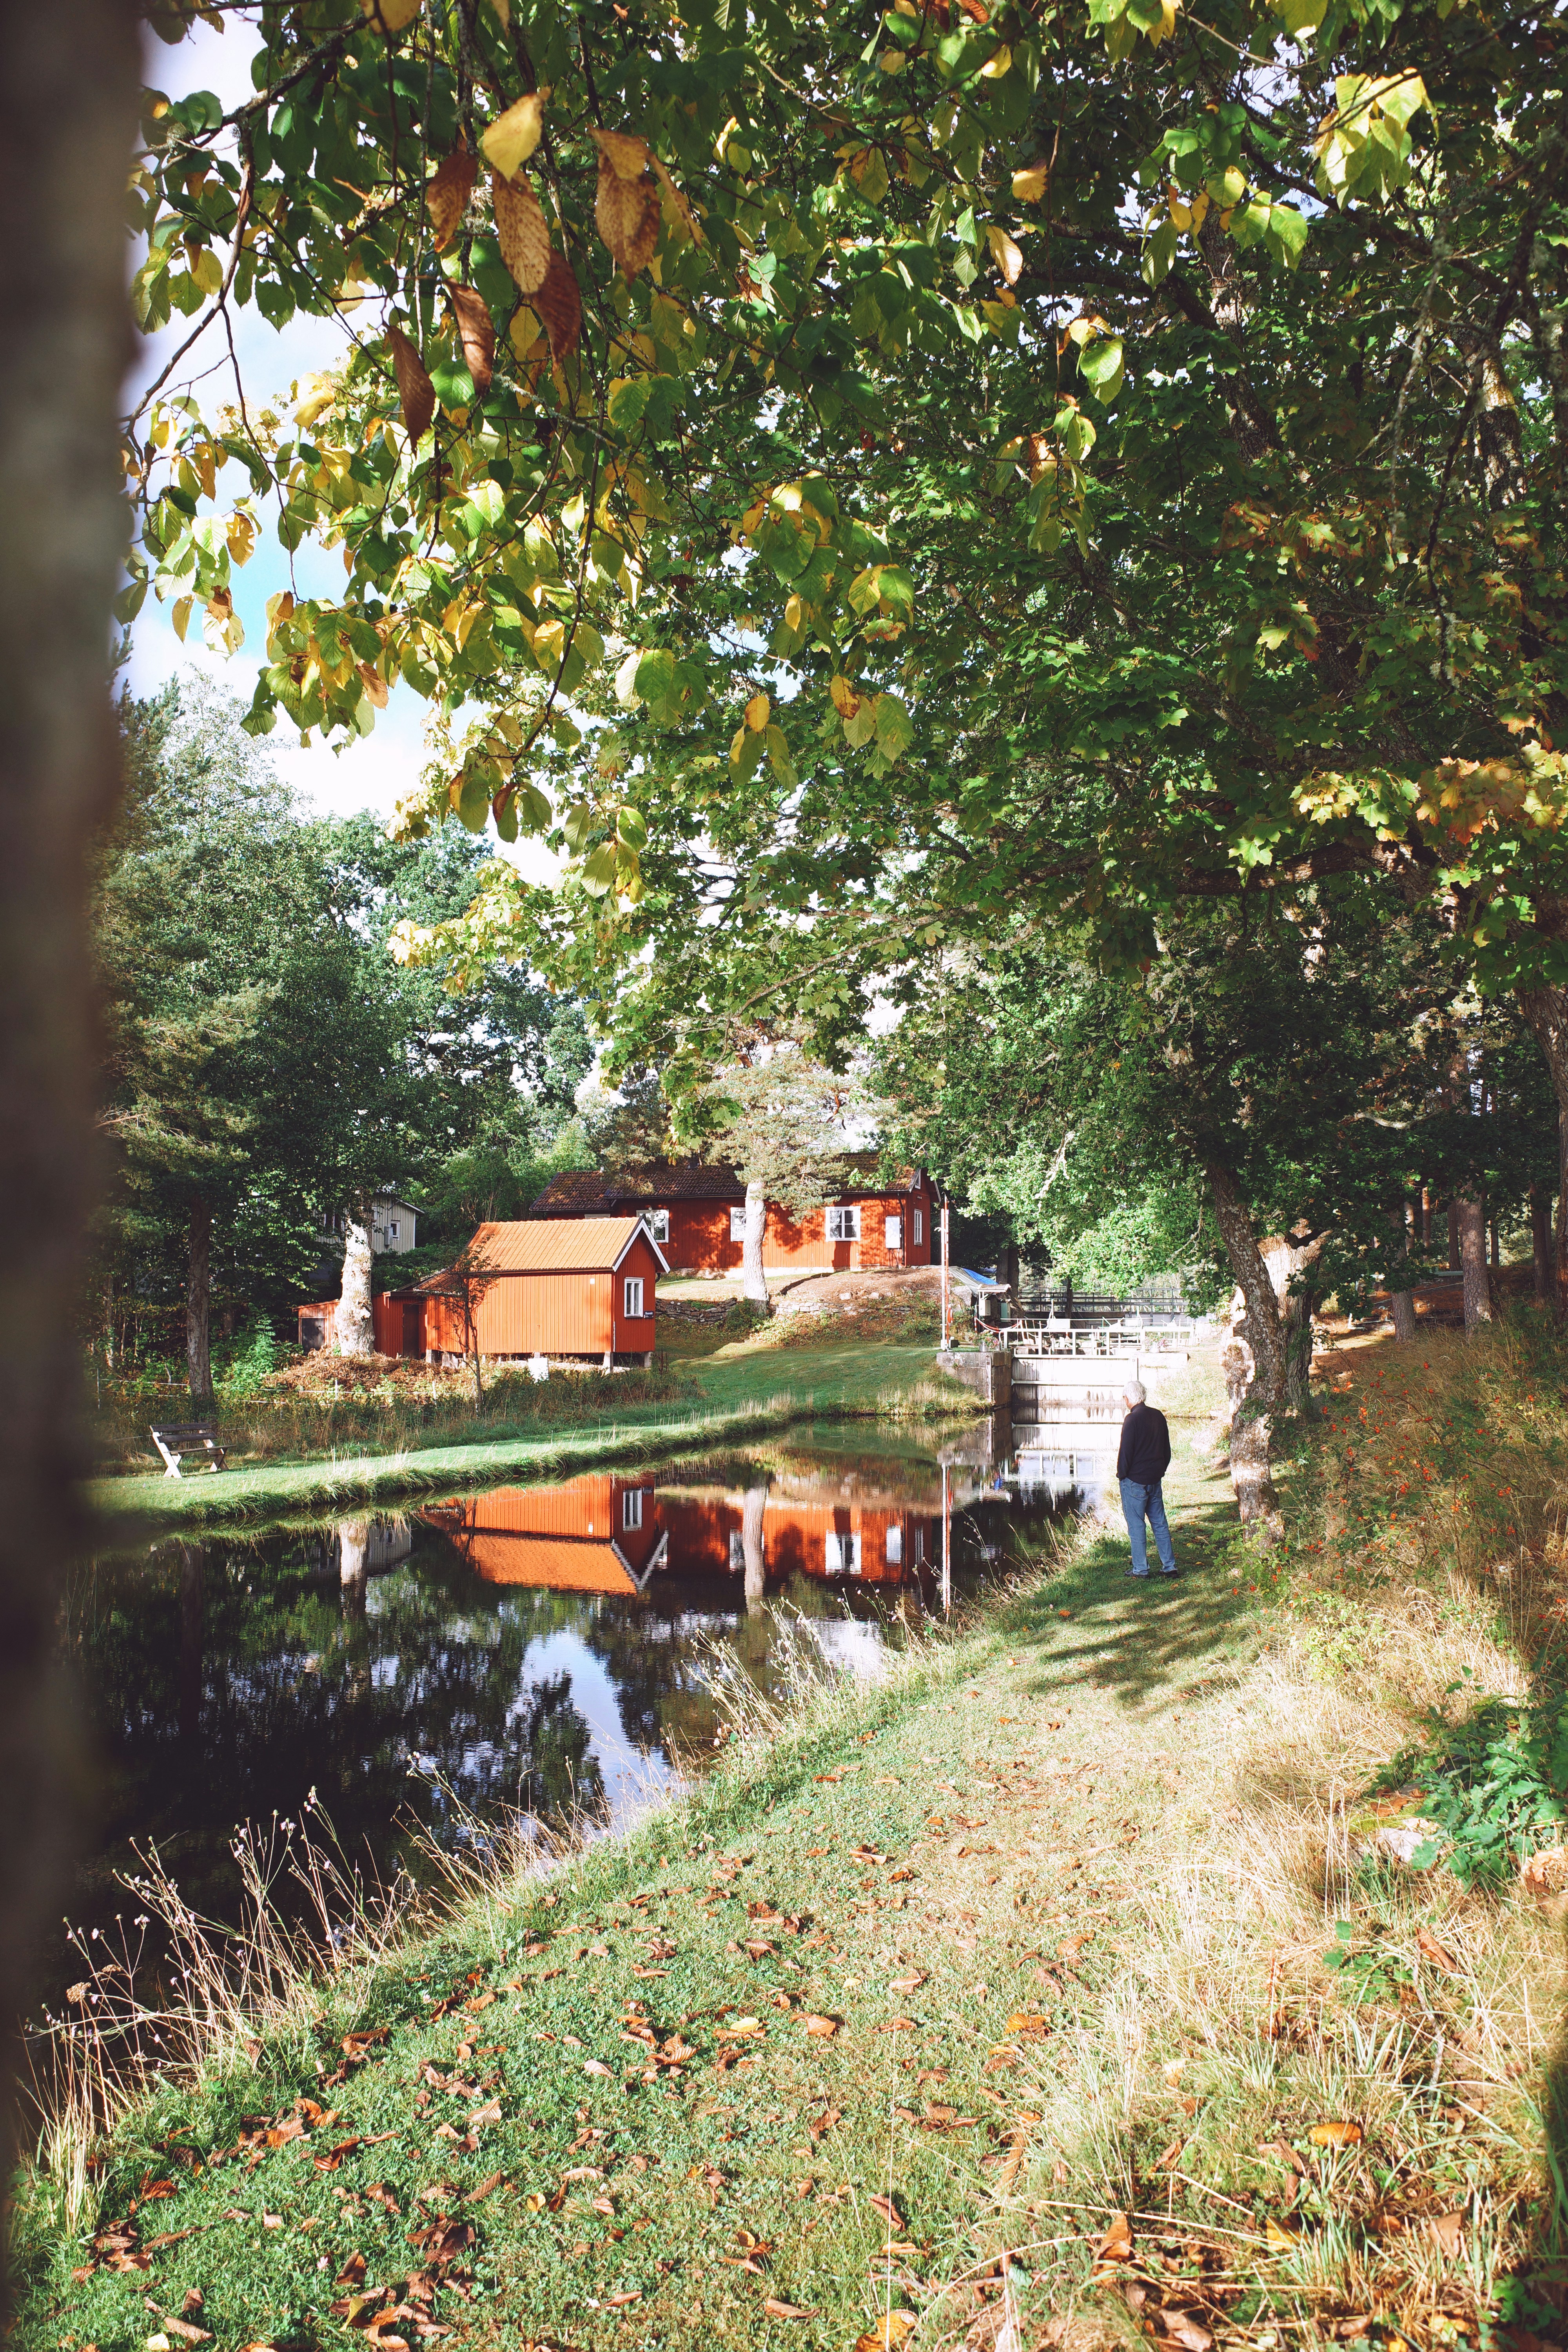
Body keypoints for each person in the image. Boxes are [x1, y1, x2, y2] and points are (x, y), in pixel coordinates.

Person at [1116, 1378, 1178, 1577]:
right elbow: (1167, 1451)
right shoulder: (1158, 1416)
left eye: (1124, 1398)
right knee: (1160, 1523)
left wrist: (1122, 1475)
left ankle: (1141, 1569)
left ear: (1129, 1399)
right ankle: (1170, 1566)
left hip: (1134, 1482)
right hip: (1154, 1480)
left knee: (1136, 1526)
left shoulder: (1131, 1420)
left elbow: (1125, 1453)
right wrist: (1160, 1471)